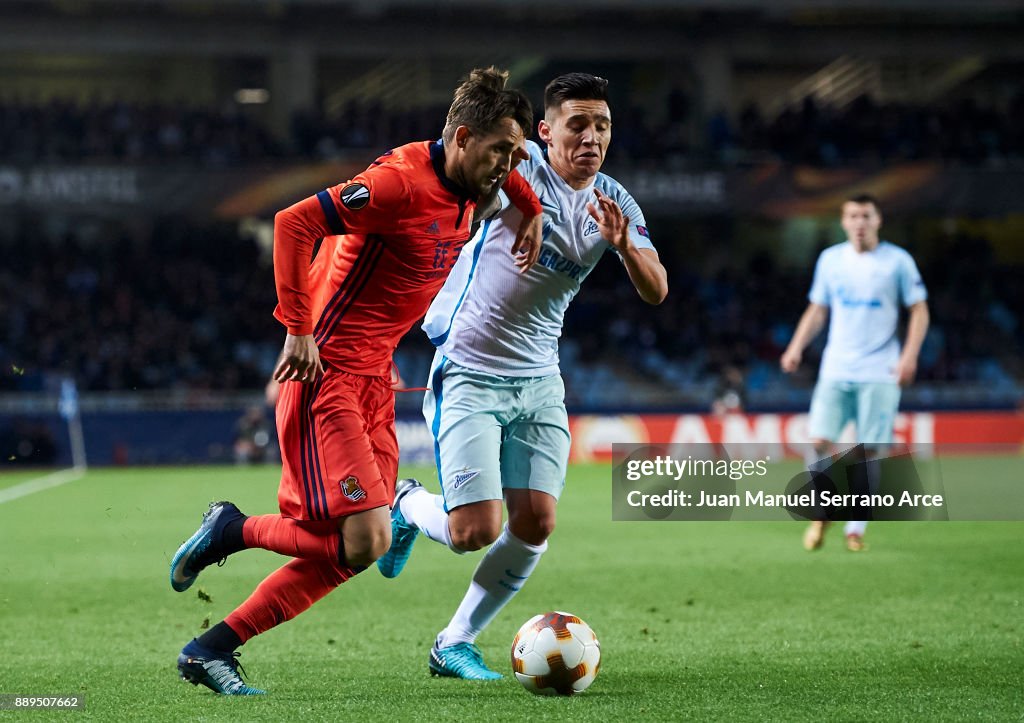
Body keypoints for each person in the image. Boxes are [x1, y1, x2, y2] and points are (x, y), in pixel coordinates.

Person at [167, 67, 543, 696]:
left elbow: (516, 175)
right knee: (363, 538)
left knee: (348, 552)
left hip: (376, 379)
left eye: (514, 152)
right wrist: (297, 327)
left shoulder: (478, 181)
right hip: (326, 373)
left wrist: (528, 209)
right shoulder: (398, 185)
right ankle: (231, 529)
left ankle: (209, 650)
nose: (509, 164)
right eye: (500, 149)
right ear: (459, 136)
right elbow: (292, 223)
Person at [375, 72, 668, 679]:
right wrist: (523, 206)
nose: (591, 137)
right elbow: (462, 166)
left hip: (538, 379)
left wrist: (624, 248)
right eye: (578, 125)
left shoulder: (616, 202)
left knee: (535, 522)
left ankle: (453, 642)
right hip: (470, 368)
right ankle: (407, 506)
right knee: (471, 531)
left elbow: (657, 289)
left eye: (602, 126)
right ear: (545, 131)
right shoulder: (518, 162)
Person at [780, 193, 929, 552]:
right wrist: (796, 346)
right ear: (843, 222)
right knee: (817, 441)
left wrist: (909, 356)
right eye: (852, 216)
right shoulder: (831, 260)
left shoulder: (898, 262)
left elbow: (920, 311)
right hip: (837, 366)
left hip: (881, 371)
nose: (859, 222)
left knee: (868, 450)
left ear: (878, 220)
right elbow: (817, 310)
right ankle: (822, 511)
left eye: (866, 215)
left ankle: (855, 528)